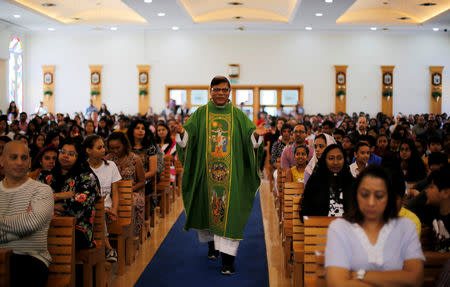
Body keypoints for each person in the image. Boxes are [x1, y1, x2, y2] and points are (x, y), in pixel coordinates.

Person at [175, 76, 268, 275]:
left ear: (229, 92)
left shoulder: (237, 115)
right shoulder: (201, 114)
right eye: (216, 89)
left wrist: (257, 135)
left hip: (231, 176)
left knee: (230, 216)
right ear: (210, 91)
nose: (220, 93)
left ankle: (228, 261)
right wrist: (183, 133)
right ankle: (212, 246)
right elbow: (187, 139)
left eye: (224, 90)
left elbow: (250, 137)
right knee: (208, 212)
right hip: (206, 173)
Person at [325, 165, 425, 287]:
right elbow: (337, 282)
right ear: (356, 195)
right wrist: (396, 279)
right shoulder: (340, 228)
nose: (371, 203)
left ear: (389, 198)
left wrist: (361, 275)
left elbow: (415, 278)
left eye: (379, 196)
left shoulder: (406, 227)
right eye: (365, 194)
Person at [0, 141, 54, 287]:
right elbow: (25, 225)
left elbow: (31, 223)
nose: (19, 162)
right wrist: (21, 223)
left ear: (30, 162)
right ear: (2, 160)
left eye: (24, 158)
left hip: (30, 259)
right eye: (13, 157)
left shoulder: (42, 190)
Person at [38, 139, 101, 250]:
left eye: (71, 154)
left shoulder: (87, 177)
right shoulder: (47, 175)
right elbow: (36, 200)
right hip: (47, 224)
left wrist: (54, 198)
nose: (65, 156)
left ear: (79, 157)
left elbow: (79, 205)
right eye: (63, 152)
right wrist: (64, 195)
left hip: (78, 228)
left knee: (58, 238)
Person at [85, 135, 121, 262]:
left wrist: (115, 209)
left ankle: (106, 250)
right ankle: (109, 248)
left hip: (108, 209)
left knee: (99, 213)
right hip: (92, 209)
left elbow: (115, 192)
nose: (103, 150)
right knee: (97, 213)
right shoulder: (84, 169)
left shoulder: (110, 165)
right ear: (88, 150)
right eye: (99, 148)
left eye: (103, 147)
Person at [106, 132, 146, 240]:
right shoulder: (108, 160)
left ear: (124, 145)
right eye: (112, 148)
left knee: (130, 201)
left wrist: (129, 189)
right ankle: (111, 232)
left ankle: (132, 234)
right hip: (113, 193)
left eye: (117, 147)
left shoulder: (135, 159)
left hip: (132, 192)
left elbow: (142, 181)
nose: (115, 151)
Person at [301, 144, 353, 219]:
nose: (335, 162)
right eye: (331, 158)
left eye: (339, 158)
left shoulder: (351, 183)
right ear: (324, 160)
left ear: (344, 160)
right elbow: (305, 211)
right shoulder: (315, 182)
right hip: (320, 228)